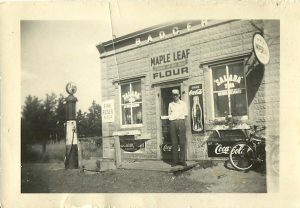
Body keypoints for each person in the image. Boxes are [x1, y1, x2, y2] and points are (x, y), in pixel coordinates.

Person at [168, 89, 188, 167]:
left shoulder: (183, 103)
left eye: (176, 95)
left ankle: (183, 161)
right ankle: (175, 161)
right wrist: (173, 120)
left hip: (181, 122)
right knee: (174, 143)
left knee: (182, 142)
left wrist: (181, 121)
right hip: (173, 123)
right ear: (172, 96)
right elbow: (169, 114)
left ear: (179, 95)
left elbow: (186, 114)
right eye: (173, 95)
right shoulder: (170, 104)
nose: (175, 96)